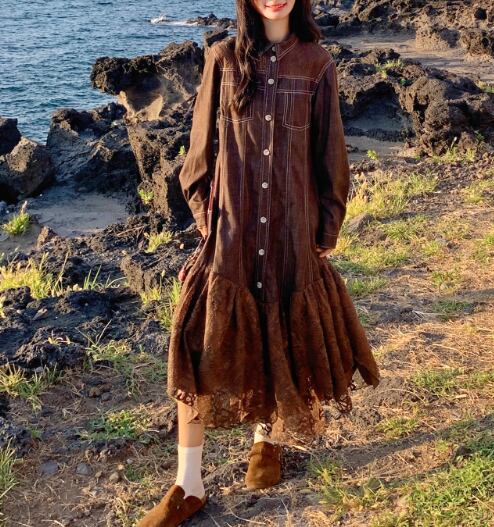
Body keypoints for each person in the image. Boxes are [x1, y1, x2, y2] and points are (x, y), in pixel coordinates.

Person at [138, 0, 381, 524]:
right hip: (232, 230)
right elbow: (199, 152)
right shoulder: (223, 58)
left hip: (292, 229)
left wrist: (327, 228)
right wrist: (207, 221)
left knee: (279, 334)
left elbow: (330, 153)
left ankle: (265, 440)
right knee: (196, 341)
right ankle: (188, 482)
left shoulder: (317, 64)